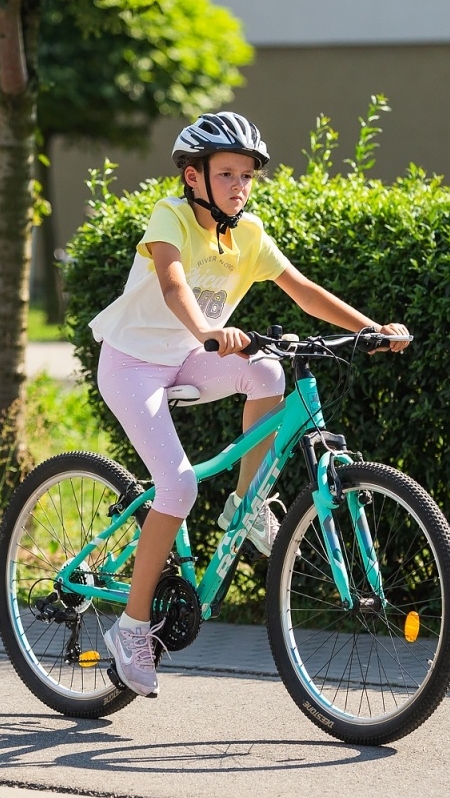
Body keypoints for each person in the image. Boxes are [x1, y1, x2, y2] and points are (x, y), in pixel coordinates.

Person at [87, 111, 410, 699]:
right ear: (193, 177)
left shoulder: (249, 234)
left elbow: (304, 290)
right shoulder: (171, 217)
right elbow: (172, 284)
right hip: (133, 364)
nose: (240, 185)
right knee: (178, 488)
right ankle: (132, 628)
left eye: (248, 175)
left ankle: (247, 502)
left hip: (186, 355)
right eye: (228, 173)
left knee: (266, 368)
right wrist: (209, 330)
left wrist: (371, 328)